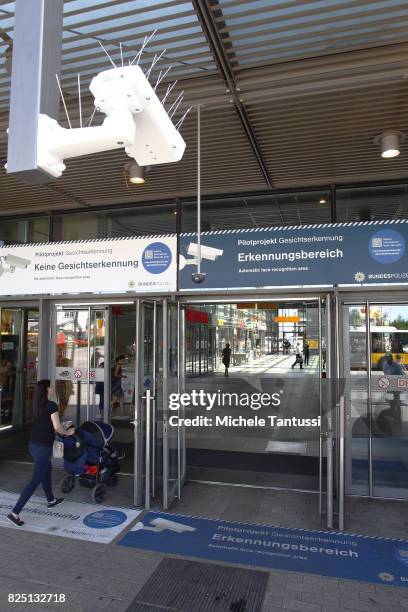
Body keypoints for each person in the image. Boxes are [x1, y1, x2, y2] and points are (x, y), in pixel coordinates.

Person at [7, 379, 75, 527]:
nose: (52, 389)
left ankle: (51, 500)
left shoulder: (36, 405)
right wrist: (68, 432)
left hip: (33, 445)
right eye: (50, 387)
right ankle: (14, 513)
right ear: (46, 390)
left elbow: (47, 424)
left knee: (46, 469)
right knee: (35, 480)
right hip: (43, 447)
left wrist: (59, 428)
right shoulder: (51, 405)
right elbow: (57, 427)